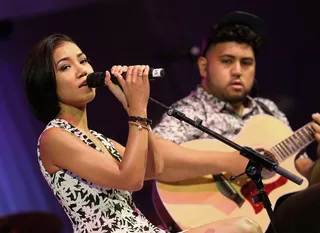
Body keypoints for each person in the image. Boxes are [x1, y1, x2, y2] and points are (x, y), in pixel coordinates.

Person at [23, 34, 263, 233]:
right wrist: (137, 111)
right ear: (47, 84)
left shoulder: (101, 140)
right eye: (65, 67)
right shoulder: (54, 137)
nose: (81, 71)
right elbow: (130, 179)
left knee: (245, 226)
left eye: (83, 61)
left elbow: (155, 166)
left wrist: (133, 106)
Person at [153, 11, 320, 233]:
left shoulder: (268, 110)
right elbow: (155, 158)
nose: (238, 71)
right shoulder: (188, 111)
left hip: (280, 207)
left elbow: (301, 174)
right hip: (230, 220)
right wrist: (232, 160)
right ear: (204, 67)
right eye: (227, 61)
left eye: (246, 63)